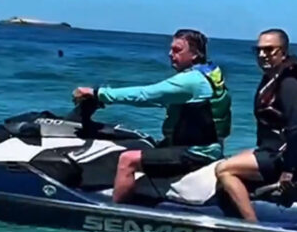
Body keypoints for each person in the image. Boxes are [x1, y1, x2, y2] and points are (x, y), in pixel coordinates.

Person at [72, 29, 232, 203]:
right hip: (205, 147)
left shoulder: (191, 81)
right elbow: (163, 99)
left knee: (128, 160)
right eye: (171, 49)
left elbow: (145, 95)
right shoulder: (209, 73)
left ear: (194, 54)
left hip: (196, 152)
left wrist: (97, 94)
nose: (170, 54)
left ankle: (116, 213)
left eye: (177, 50)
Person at [214, 28, 297, 222]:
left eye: (269, 50)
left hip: (285, 157)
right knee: (229, 159)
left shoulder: (290, 82)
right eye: (258, 50)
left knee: (224, 170)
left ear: (283, 52)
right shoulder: (273, 76)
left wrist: (289, 170)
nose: (262, 55)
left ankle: (252, 224)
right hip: (272, 150)